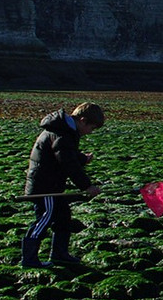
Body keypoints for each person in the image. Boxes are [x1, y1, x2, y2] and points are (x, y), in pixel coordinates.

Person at [20, 101, 105, 268]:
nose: (90, 132)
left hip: (53, 185)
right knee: (45, 219)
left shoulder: (64, 131)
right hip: (45, 188)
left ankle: (59, 254)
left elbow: (66, 154)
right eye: (91, 128)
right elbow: (68, 163)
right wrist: (87, 186)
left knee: (63, 217)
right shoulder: (62, 133)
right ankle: (29, 258)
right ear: (82, 120)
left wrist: (82, 159)